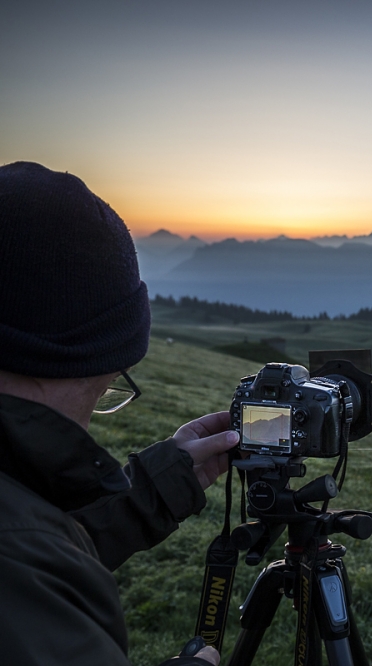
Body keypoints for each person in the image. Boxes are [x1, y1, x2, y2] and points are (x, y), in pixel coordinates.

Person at [0, 161, 236, 665]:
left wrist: (157, 486)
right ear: (63, 359)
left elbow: (34, 532)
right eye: (106, 389)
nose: (90, 417)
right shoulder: (15, 565)